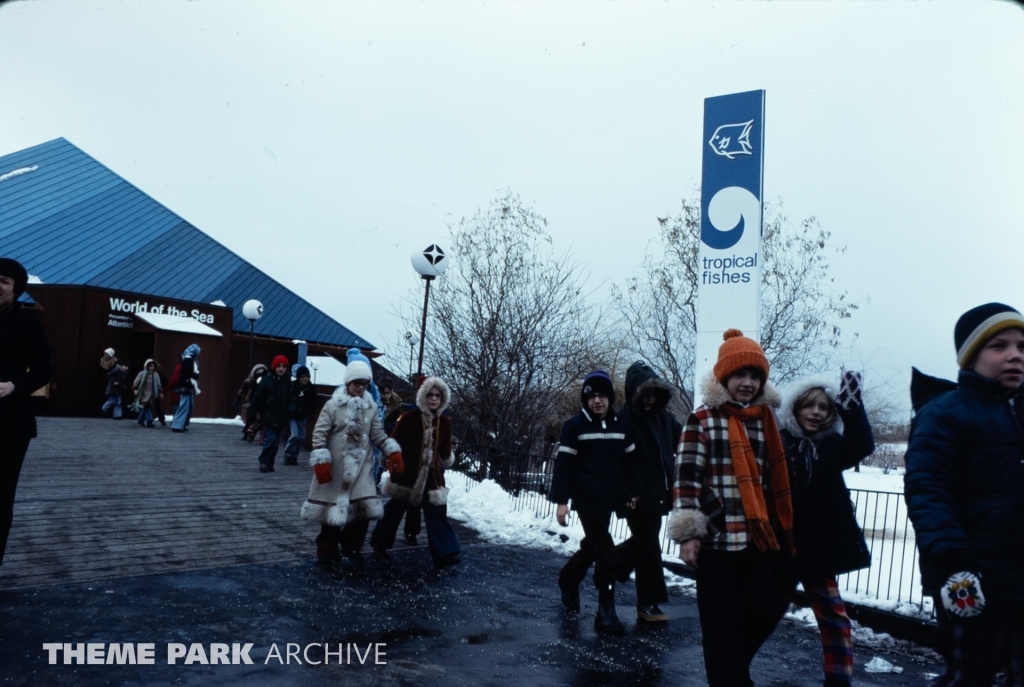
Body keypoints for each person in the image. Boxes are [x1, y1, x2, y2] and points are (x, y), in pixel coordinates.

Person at [905, 303, 1024, 687]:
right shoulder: (945, 413)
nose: (1014, 356)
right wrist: (954, 563)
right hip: (973, 579)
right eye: (999, 346)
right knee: (969, 678)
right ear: (971, 356)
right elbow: (929, 494)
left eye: (1022, 346)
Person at [668, 329, 795, 687]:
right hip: (719, 541)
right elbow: (686, 477)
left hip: (757, 540)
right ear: (724, 376)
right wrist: (690, 533)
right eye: (741, 374)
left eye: (755, 375)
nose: (748, 382)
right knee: (721, 625)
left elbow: (774, 479)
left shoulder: (767, 420)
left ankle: (731, 672)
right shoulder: (703, 418)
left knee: (763, 611)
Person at [778, 373, 874, 687]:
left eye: (824, 407)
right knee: (762, 612)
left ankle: (838, 680)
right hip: (779, 546)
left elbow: (862, 443)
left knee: (834, 618)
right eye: (809, 406)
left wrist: (851, 406)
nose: (816, 412)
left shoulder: (832, 446)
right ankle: (733, 671)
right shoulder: (779, 442)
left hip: (817, 551)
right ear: (795, 408)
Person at [550, 370, 637, 635]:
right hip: (587, 500)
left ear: (610, 398)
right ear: (586, 400)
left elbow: (631, 464)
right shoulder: (574, 426)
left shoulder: (622, 425)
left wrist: (632, 493)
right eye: (592, 396)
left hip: (612, 498)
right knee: (606, 551)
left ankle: (568, 579)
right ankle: (605, 611)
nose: (597, 401)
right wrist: (561, 502)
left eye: (602, 396)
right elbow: (564, 467)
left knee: (594, 548)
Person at [303, 360, 402, 564]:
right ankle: (326, 550)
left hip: (362, 468)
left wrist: (391, 451)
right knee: (331, 512)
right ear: (348, 382)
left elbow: (377, 434)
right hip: (336, 467)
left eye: (364, 383)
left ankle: (351, 546)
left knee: (362, 510)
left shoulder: (371, 407)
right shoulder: (332, 405)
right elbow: (320, 433)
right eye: (356, 382)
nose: (360, 387)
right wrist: (321, 460)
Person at [615, 361, 683, 624]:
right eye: (645, 394)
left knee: (645, 542)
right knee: (649, 546)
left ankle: (609, 565)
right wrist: (627, 493)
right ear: (634, 392)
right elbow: (617, 461)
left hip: (658, 494)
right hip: (635, 495)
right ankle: (648, 603)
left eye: (654, 394)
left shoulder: (664, 419)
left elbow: (685, 437)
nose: (650, 400)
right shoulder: (622, 419)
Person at [370, 376, 462, 568]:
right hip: (407, 474)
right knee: (394, 510)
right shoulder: (409, 418)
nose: (434, 399)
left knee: (436, 513)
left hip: (432, 477)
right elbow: (394, 441)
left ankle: (446, 551)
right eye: (430, 395)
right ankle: (379, 543)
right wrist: (391, 458)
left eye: (438, 395)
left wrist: (447, 457)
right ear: (422, 396)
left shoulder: (444, 422)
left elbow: (444, 450)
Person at [0, 258, 54, 567]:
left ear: (17, 289)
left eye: (4, 280)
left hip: (9, 422)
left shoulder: (29, 325)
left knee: (0, 498)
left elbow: (46, 369)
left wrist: (14, 385)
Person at [248, 355, 292, 473]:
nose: (281, 369)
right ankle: (263, 461)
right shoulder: (267, 380)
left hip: (281, 416)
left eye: (284, 366)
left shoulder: (287, 382)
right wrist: (252, 414)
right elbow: (257, 397)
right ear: (274, 367)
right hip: (268, 415)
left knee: (276, 442)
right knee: (270, 439)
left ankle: (270, 463)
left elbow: (291, 398)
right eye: (279, 366)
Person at [283, 365, 317, 466]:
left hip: (302, 416)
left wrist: (311, 414)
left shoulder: (311, 388)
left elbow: (313, 403)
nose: (305, 379)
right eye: (302, 377)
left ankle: (294, 457)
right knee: (294, 436)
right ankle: (287, 455)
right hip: (292, 416)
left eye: (307, 376)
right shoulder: (292, 386)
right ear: (298, 377)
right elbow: (286, 399)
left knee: (301, 437)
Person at [234, 363, 268, 440]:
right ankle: (247, 433)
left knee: (260, 420)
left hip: (261, 403)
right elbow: (242, 390)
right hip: (251, 402)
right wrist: (237, 399)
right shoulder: (249, 381)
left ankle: (260, 437)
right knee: (250, 418)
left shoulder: (265, 381)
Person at [171, 344, 200, 433]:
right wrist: (195, 376)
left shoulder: (187, 358)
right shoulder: (188, 359)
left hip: (186, 384)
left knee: (188, 405)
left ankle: (180, 424)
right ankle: (177, 425)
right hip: (186, 384)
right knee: (185, 405)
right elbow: (187, 372)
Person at [131, 359, 163, 429]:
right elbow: (136, 383)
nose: (152, 368)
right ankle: (149, 421)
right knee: (147, 407)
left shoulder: (156, 375)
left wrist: (160, 393)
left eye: (153, 366)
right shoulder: (142, 374)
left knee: (145, 407)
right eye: (150, 366)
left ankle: (141, 420)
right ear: (146, 366)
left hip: (152, 395)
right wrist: (135, 389)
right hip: (143, 394)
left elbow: (159, 385)